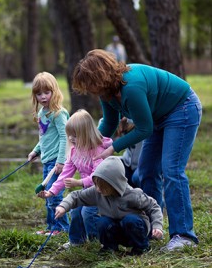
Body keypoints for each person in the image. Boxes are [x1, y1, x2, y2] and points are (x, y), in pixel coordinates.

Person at [72, 49, 202, 251]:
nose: (90, 90)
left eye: (90, 84)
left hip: (181, 109)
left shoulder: (131, 87)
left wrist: (112, 148)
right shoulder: (106, 94)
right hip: (157, 118)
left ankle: (183, 235)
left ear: (101, 77)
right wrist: (90, 144)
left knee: (172, 171)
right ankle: (149, 229)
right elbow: (109, 122)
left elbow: (144, 128)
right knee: (147, 171)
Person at [54, 156, 163, 255]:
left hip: (135, 231)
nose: (98, 189)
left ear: (114, 184)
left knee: (130, 220)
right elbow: (76, 196)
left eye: (102, 186)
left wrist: (157, 226)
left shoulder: (133, 194)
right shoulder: (97, 192)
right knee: (103, 222)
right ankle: (109, 248)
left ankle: (141, 247)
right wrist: (63, 206)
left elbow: (153, 206)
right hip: (116, 231)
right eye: (96, 185)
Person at [37, 109, 113, 248]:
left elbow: (98, 175)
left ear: (86, 134)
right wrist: (51, 192)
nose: (71, 138)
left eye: (75, 135)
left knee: (88, 213)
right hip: (86, 190)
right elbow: (65, 174)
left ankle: (97, 243)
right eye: (69, 135)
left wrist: (79, 182)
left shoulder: (97, 150)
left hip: (101, 190)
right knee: (75, 210)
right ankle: (77, 241)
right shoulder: (74, 150)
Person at [28, 71, 70, 236]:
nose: (43, 96)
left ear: (54, 91)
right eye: (39, 94)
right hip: (47, 161)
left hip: (56, 162)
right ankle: (51, 228)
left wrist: (61, 161)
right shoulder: (42, 113)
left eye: (47, 92)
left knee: (55, 196)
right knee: (47, 196)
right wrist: (36, 151)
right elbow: (44, 137)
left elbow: (65, 138)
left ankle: (62, 229)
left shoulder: (59, 113)